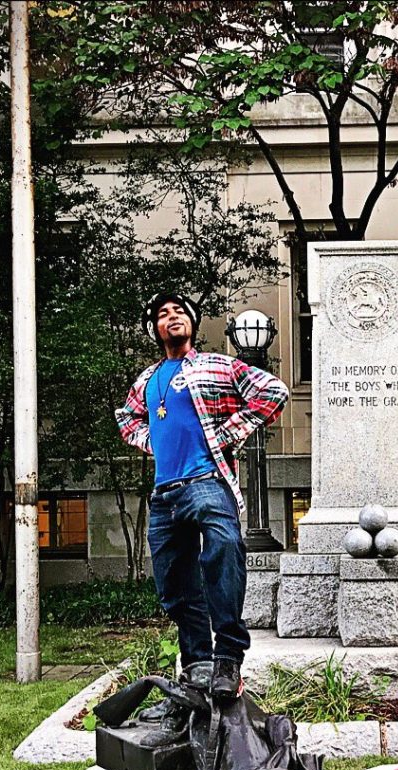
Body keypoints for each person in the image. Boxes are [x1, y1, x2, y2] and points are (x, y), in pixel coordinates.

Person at [116, 292, 288, 725]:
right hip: (165, 494)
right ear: (154, 330)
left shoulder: (216, 365)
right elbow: (126, 416)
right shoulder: (148, 379)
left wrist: (230, 432)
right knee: (175, 585)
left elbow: (273, 390)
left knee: (225, 549)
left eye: (178, 312)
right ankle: (197, 670)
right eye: (161, 315)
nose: (170, 317)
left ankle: (228, 656)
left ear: (191, 323)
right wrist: (147, 440)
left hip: (207, 482)